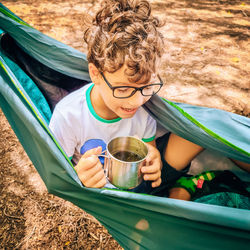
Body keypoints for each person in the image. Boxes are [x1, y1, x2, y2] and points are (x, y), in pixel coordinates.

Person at [49, 0, 249, 198]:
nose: (136, 101)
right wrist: (79, 179)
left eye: (145, 87)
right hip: (110, 199)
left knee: (214, 128)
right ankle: (180, 192)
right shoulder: (69, 116)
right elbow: (57, 179)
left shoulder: (144, 106)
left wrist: (153, 158)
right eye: (124, 89)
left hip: (146, 185)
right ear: (95, 74)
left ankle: (181, 187)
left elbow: (149, 145)